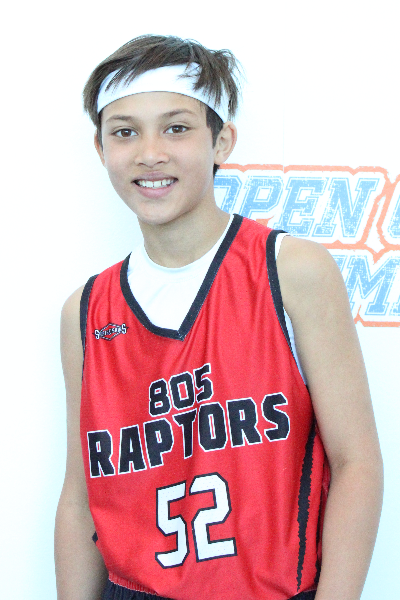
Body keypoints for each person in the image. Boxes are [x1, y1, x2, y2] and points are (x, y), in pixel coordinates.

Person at [54, 34, 383, 600]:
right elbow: (81, 495)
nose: (149, 152)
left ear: (221, 140)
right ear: (101, 147)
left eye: (176, 128)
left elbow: (356, 464)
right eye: (125, 131)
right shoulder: (85, 310)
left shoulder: (291, 271)